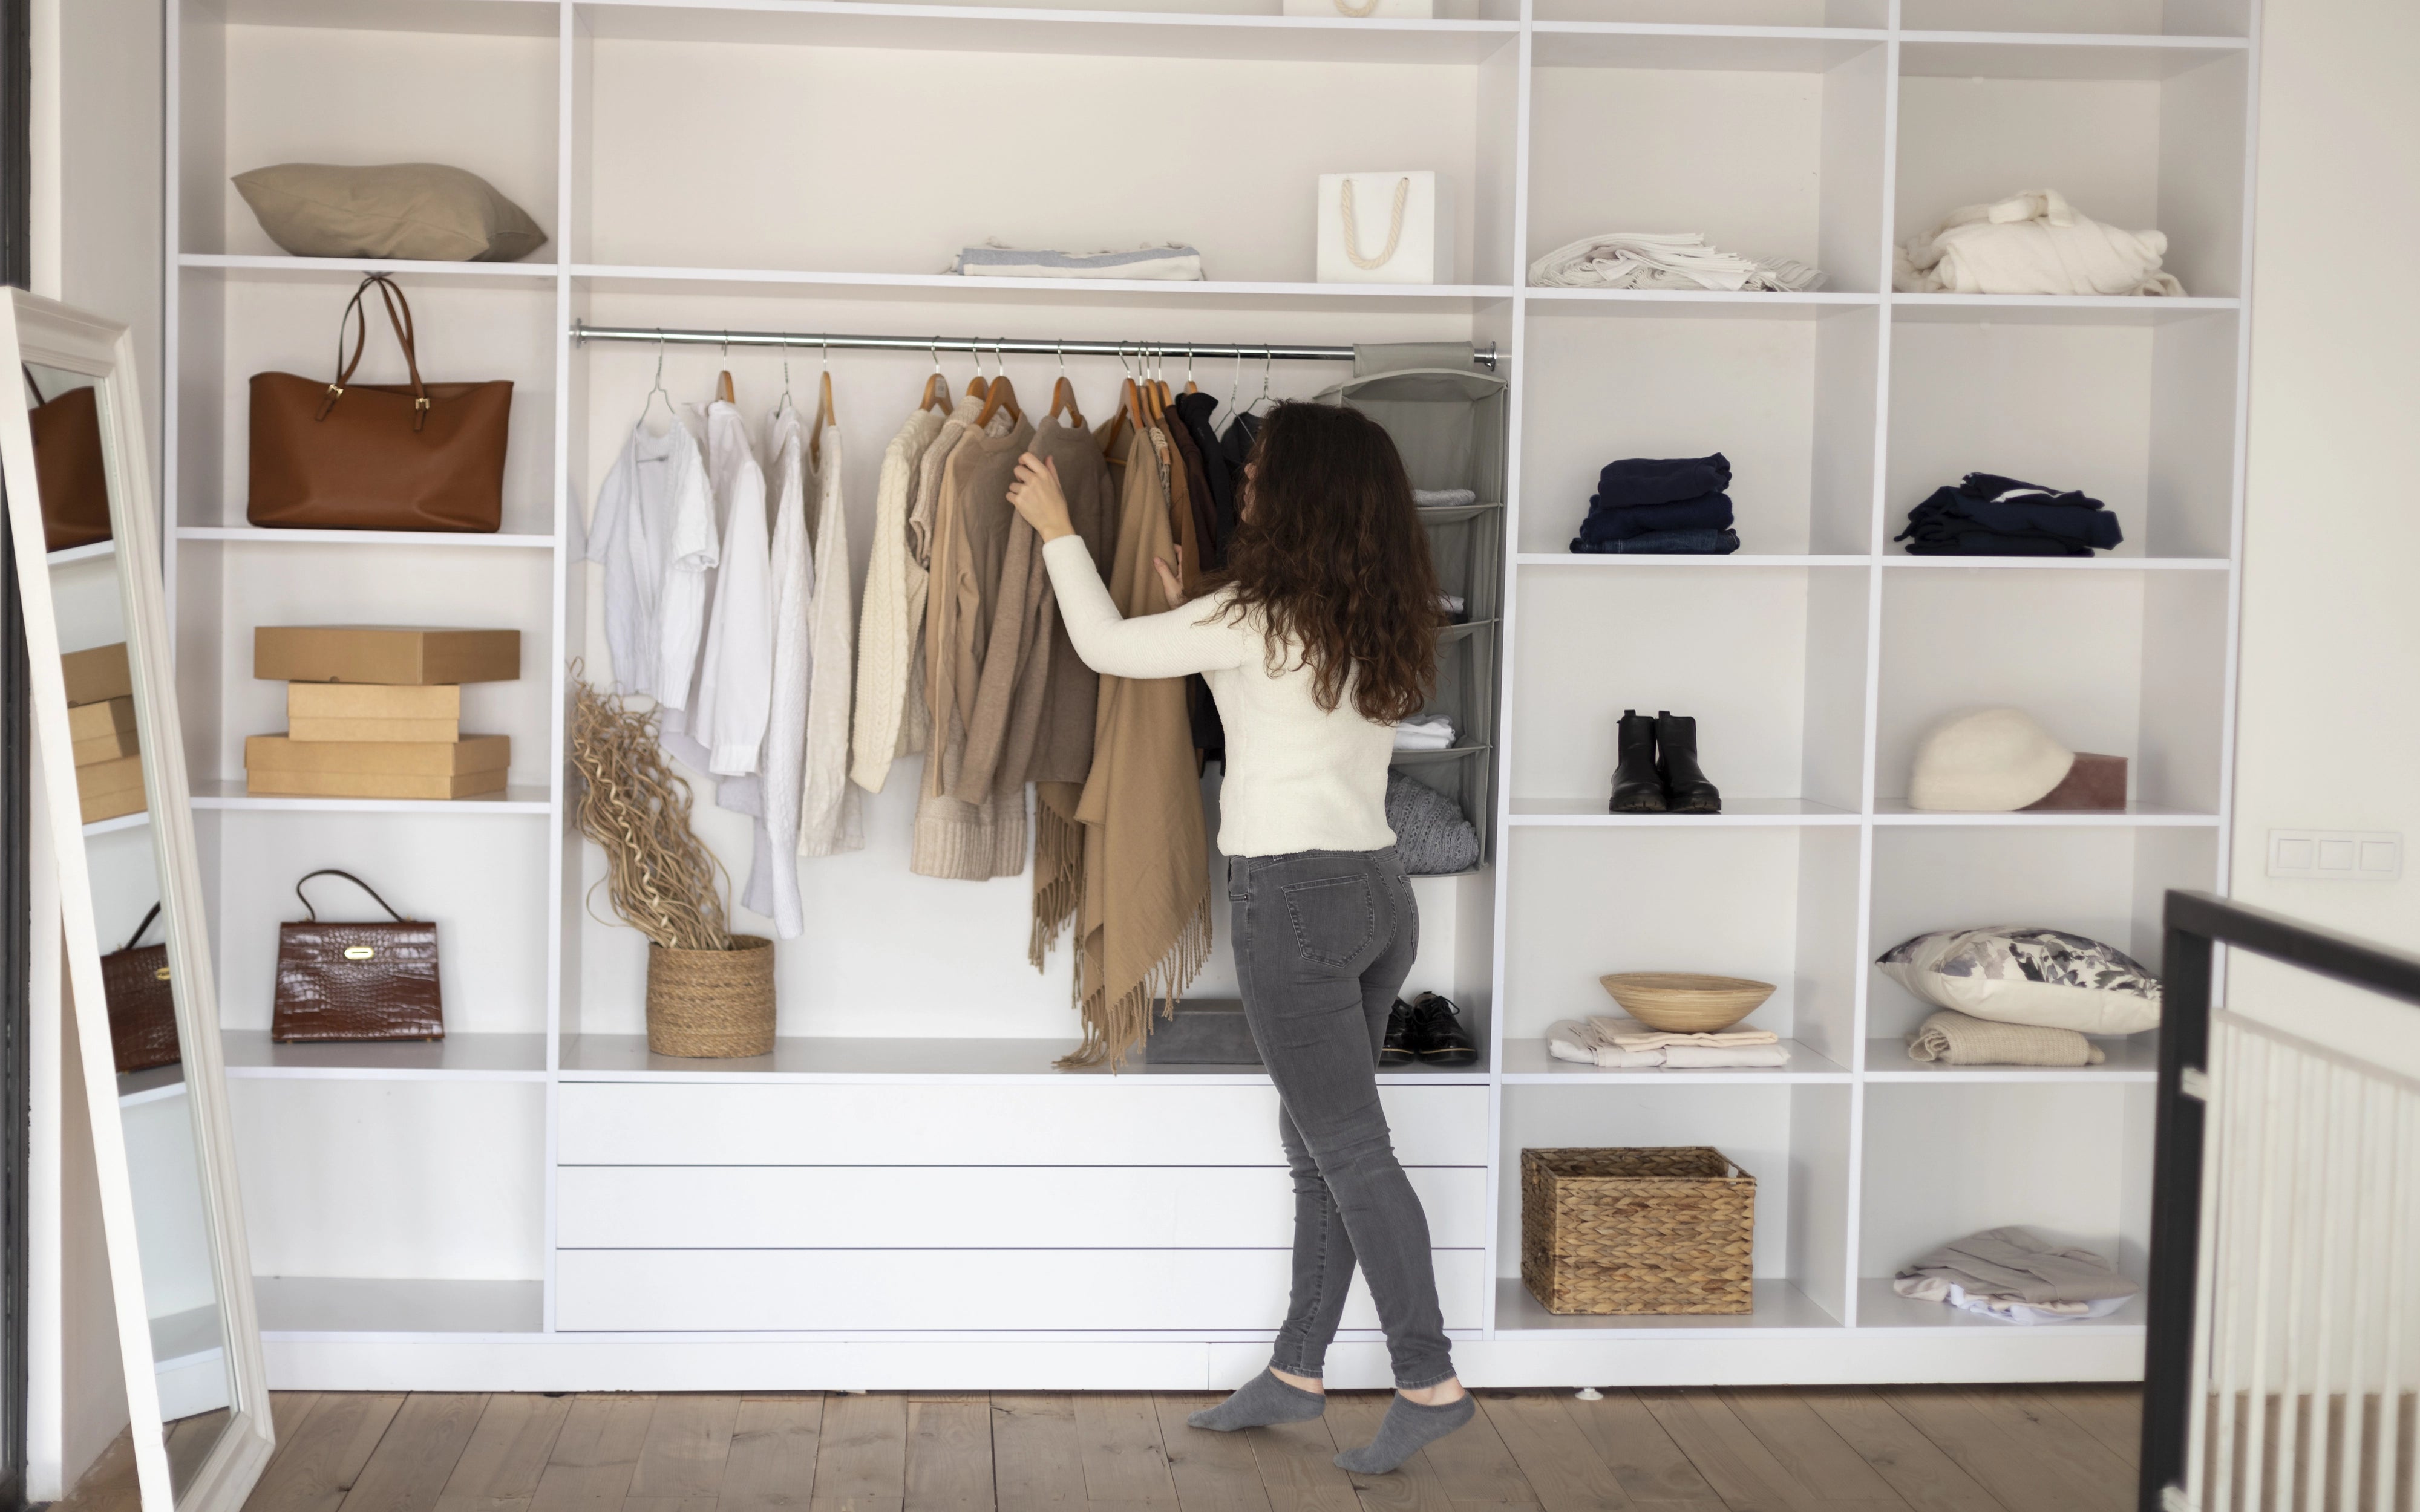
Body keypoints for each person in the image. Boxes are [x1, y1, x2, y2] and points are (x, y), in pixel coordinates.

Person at [1007, 401, 1471, 1473]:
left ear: (1301, 496)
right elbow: (1276, 705)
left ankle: (1429, 1377)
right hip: (1376, 894)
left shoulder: (1257, 616)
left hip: (1294, 903)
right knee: (1322, 1151)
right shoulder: (1375, 615)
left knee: (1348, 1153)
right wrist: (1198, 608)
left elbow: (1107, 646)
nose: (1246, 491)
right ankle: (1298, 1370)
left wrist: (1057, 528)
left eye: (1262, 479)